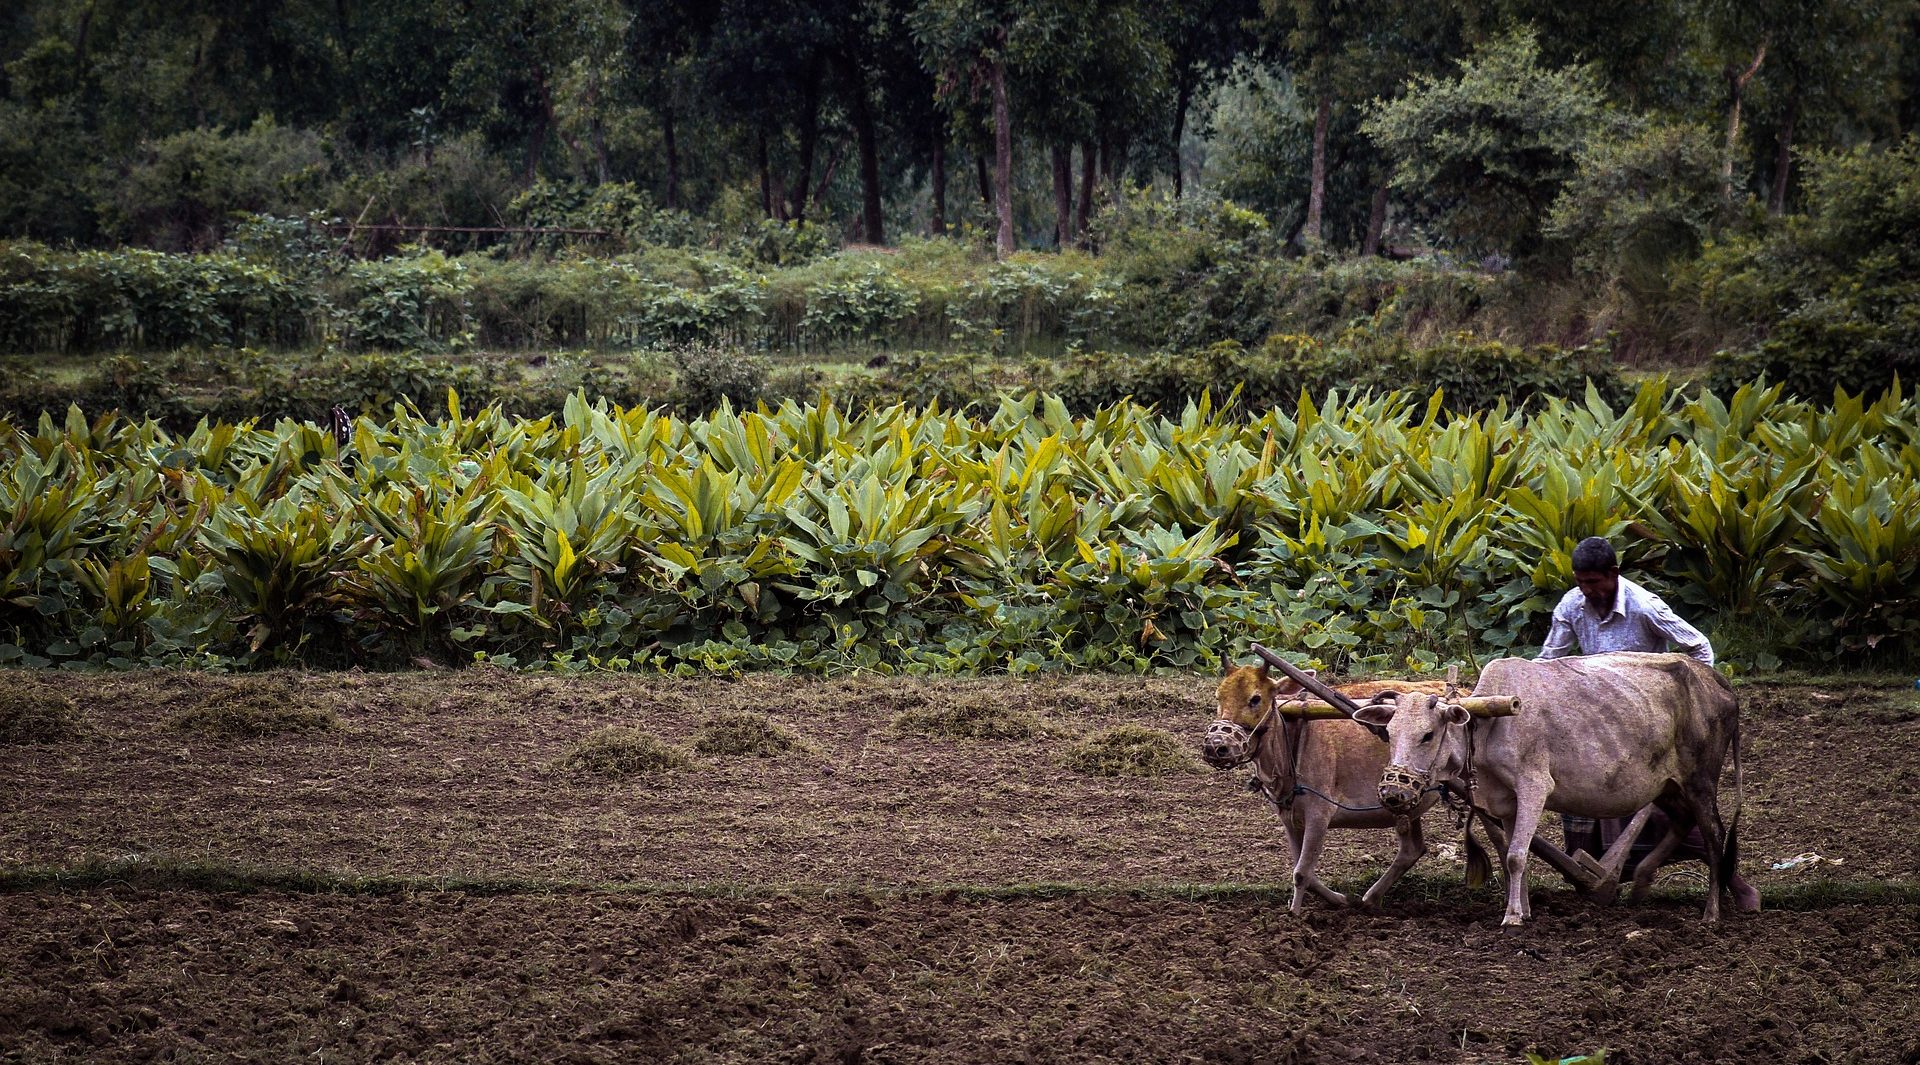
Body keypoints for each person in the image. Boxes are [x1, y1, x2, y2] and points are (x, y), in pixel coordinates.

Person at [1538, 536, 1760, 912]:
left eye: (1594, 582)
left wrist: (1689, 704)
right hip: (1599, 718)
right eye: (1581, 582)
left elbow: (1699, 646)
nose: (1587, 590)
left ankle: (1736, 885)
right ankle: (1602, 878)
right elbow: (1548, 660)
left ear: (1613, 574)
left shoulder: (1644, 606)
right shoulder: (1572, 605)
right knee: (1580, 794)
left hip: (1648, 719)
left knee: (1677, 807)